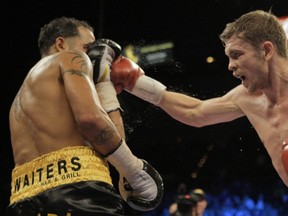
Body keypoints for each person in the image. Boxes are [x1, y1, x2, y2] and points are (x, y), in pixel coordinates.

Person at [109, 10, 288, 187]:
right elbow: (195, 112)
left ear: (266, 50)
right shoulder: (246, 97)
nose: (230, 66)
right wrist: (135, 82)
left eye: (237, 55)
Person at [5, 16, 163, 216]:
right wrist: (132, 169)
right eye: (88, 48)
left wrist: (103, 84)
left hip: (21, 199)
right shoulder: (70, 57)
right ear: (61, 44)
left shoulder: (19, 100)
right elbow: (91, 119)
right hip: (78, 192)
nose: (94, 56)